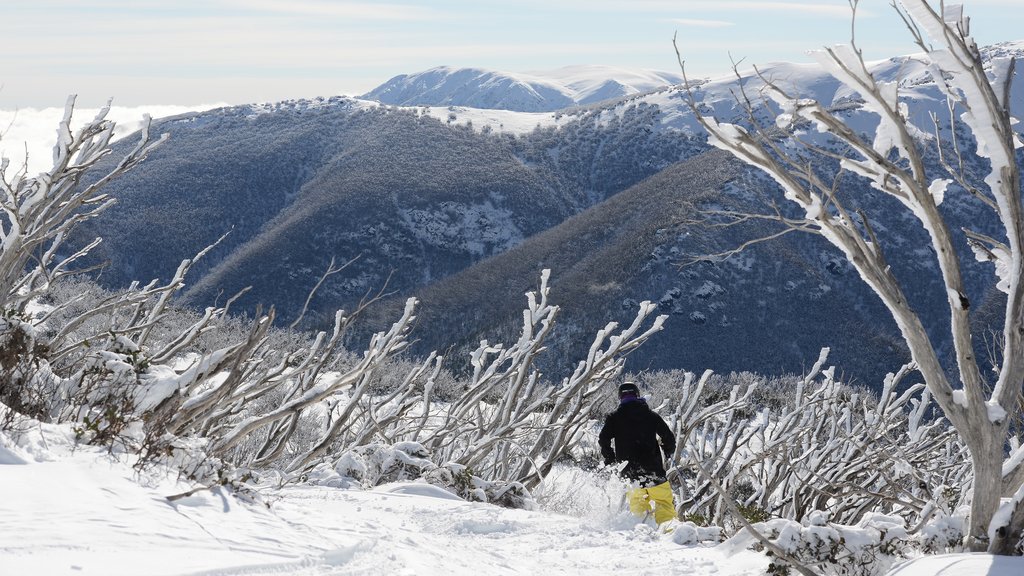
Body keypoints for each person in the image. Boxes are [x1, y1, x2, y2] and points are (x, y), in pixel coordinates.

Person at [598, 381, 677, 524]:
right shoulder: (650, 415)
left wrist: (610, 458)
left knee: (638, 509)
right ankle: (668, 532)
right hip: (653, 470)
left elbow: (603, 439)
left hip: (629, 473)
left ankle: (644, 535)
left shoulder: (614, 418)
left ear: (620, 397)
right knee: (664, 504)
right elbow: (668, 436)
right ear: (637, 395)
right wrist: (668, 450)